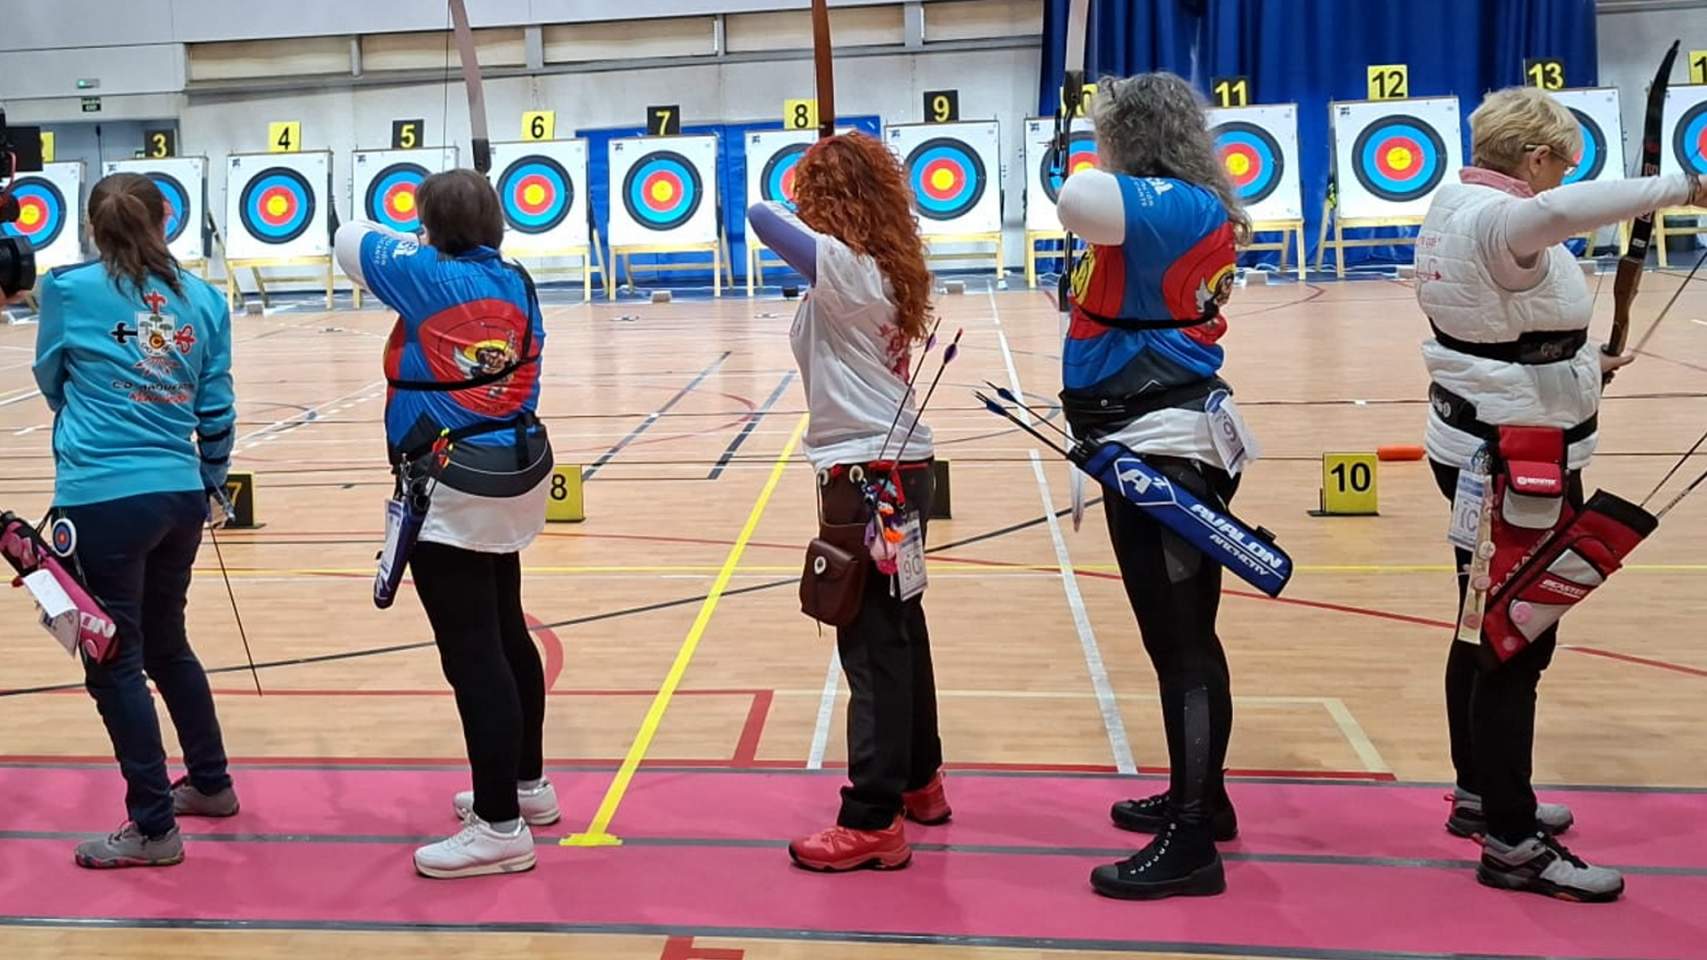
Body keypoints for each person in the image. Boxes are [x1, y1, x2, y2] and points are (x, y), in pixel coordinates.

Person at [1416, 86, 1702, 902]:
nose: (1561, 178)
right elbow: (1555, 219)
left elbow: (1497, 326)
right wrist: (1681, 187)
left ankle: (1480, 795)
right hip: (1515, 458)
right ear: (1533, 158)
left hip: (1480, 437)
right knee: (1518, 637)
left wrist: (1579, 366)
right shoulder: (1502, 215)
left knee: (1482, 623)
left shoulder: (1451, 199)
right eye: (1560, 164)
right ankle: (1511, 841)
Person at [1052, 73, 1256, 901]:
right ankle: (1201, 796)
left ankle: (1193, 841)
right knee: (1174, 637)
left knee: (1181, 644)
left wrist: (1077, 142)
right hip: (1140, 439)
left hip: (1163, 447)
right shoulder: (1172, 203)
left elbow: (1076, 198)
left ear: (1130, 137)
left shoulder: (1174, 205)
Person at [335, 169, 556, 879]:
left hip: (453, 485)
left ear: (430, 228)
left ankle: (499, 827)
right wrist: (455, 228)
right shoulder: (517, 276)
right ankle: (527, 786)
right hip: (510, 474)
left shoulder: (424, 275)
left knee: (472, 655)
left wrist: (426, 240)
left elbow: (345, 236)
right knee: (506, 630)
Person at [748, 132, 949, 873]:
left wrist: (817, 160)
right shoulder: (874, 267)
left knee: (869, 642)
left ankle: (872, 818)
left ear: (829, 203)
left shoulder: (849, 270)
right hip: (897, 469)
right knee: (900, 626)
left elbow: (759, 215)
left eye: (814, 195)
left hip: (867, 477)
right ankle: (920, 780)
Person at [33, 172, 239, 869]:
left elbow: (51, 379)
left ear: (92, 229)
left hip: (100, 499)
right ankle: (209, 784)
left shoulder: (66, 288)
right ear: (165, 222)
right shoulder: (205, 298)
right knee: (166, 643)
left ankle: (153, 827)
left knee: (113, 661)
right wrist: (210, 477)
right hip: (179, 496)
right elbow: (216, 409)